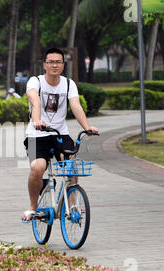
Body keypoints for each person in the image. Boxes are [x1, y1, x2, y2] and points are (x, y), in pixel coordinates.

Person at [21, 48, 99, 222]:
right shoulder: (36, 81)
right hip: (37, 134)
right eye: (50, 62)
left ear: (63, 65)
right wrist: (37, 121)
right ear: (44, 65)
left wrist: (87, 127)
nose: (54, 65)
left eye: (58, 62)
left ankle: (72, 204)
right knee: (38, 168)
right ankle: (33, 207)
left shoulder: (69, 84)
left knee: (71, 164)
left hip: (59, 134)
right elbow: (35, 101)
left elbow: (76, 106)